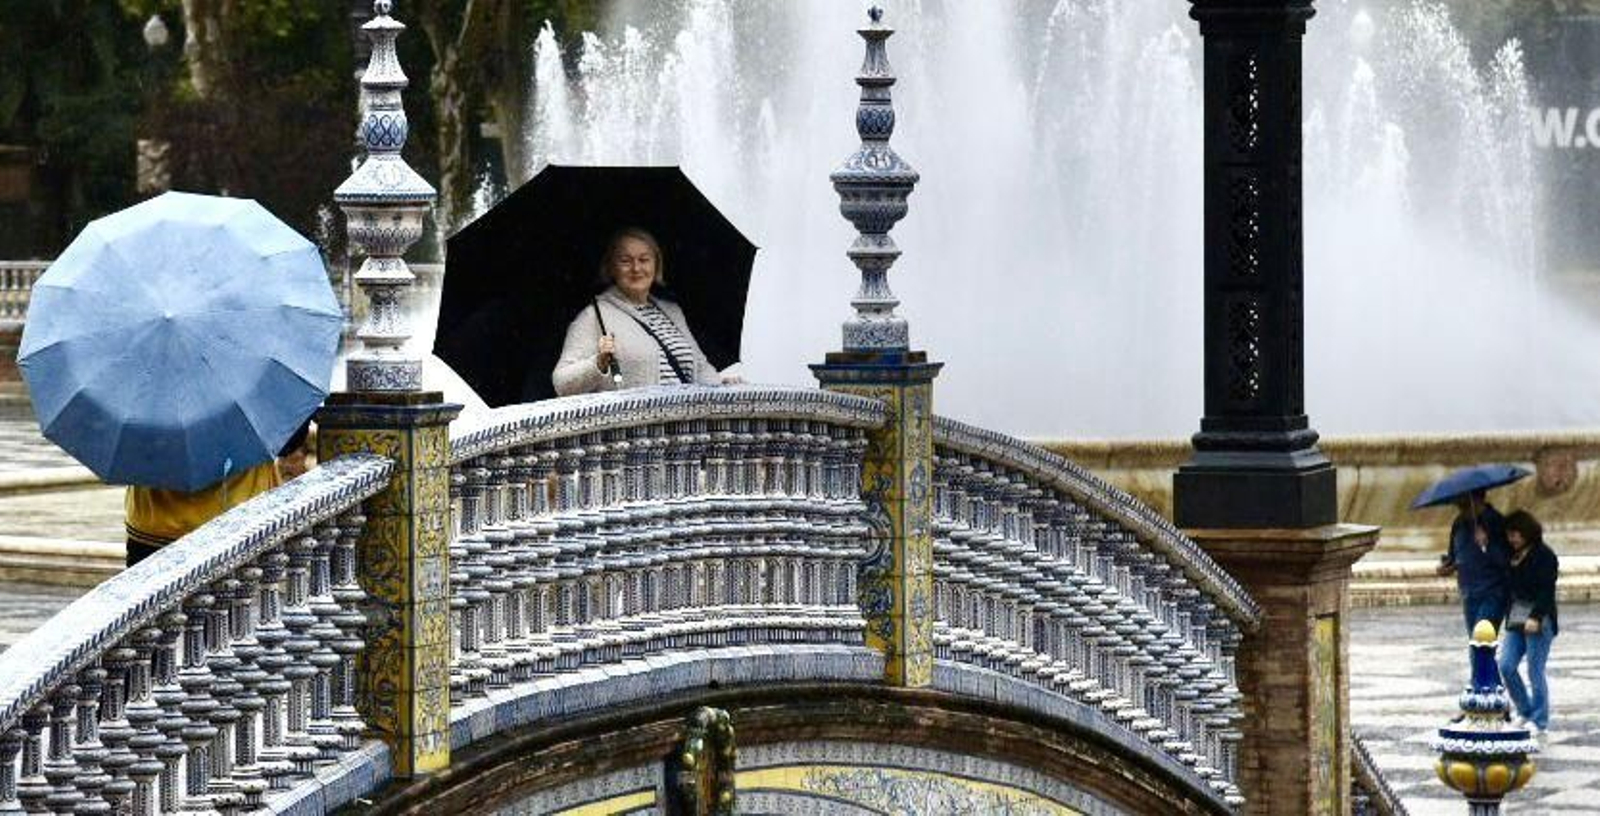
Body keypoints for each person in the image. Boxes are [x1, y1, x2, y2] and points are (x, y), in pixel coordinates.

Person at [553, 227, 737, 395]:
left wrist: (720, 387)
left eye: (644, 259)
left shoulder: (672, 311)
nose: (636, 268)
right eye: (625, 261)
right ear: (610, 267)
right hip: (637, 428)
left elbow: (699, 366)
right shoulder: (594, 316)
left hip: (683, 427)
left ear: (656, 264)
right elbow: (562, 383)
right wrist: (598, 363)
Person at [123, 421, 310, 567]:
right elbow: (289, 439)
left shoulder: (143, 381)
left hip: (153, 522)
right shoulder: (253, 377)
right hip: (240, 522)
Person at [1498, 510, 1559, 735]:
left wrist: (1536, 617)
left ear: (1527, 533)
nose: (1512, 539)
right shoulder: (1510, 555)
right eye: (1509, 535)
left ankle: (1540, 719)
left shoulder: (1545, 556)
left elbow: (1546, 590)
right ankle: (1525, 710)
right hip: (1516, 617)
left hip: (1539, 619)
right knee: (1506, 665)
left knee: (1535, 670)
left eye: (1516, 534)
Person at [1435, 489, 1512, 634]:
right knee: (1477, 644)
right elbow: (1453, 556)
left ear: (1476, 499)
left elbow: (1506, 560)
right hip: (1468, 593)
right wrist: (1447, 567)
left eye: (1463, 503)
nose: (1458, 506)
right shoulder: (1459, 523)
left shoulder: (1495, 521)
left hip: (1492, 592)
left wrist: (1486, 545)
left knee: (1481, 641)